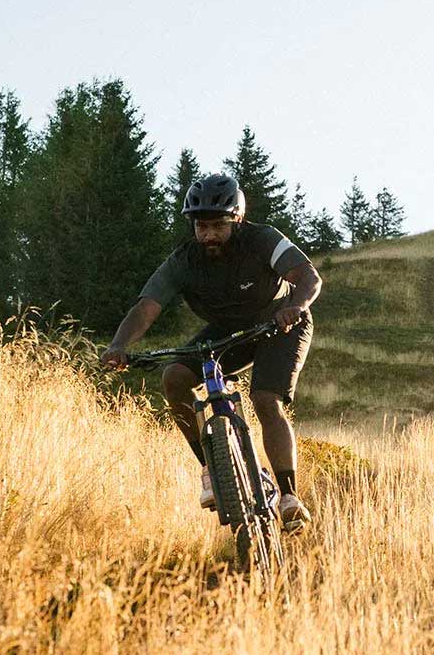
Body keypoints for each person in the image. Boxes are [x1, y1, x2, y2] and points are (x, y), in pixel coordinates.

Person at [100, 172, 322, 530]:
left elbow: (309, 276)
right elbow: (147, 307)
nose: (209, 236)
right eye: (201, 227)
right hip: (228, 329)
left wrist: (295, 305)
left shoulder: (263, 239)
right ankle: (212, 469)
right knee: (174, 377)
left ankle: (288, 496)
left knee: (266, 400)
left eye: (218, 226)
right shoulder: (184, 260)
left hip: (280, 321)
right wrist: (119, 346)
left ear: (236, 219)